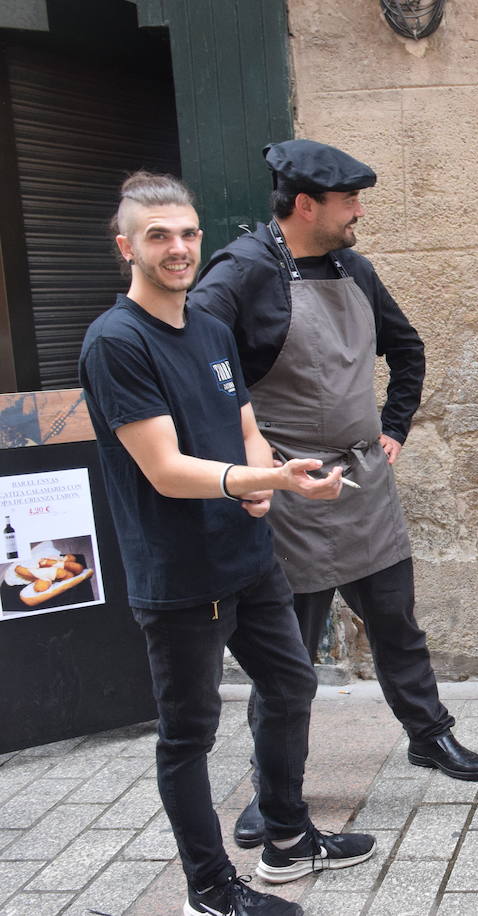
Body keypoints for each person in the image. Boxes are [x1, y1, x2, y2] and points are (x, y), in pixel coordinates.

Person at [79, 172, 375, 916]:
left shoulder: (208, 327)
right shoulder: (117, 343)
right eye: (158, 236)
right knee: (188, 736)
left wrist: (272, 472)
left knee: (291, 686)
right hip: (181, 575)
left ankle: (285, 840)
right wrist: (258, 483)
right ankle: (209, 891)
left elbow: (243, 422)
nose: (178, 248)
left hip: (247, 558)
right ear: (127, 248)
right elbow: (165, 467)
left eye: (187, 233)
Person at [189, 140, 478, 849]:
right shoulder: (240, 274)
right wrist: (245, 466)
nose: (359, 213)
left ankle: (428, 735)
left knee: (397, 624)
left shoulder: (354, 267)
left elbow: (406, 347)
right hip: (290, 490)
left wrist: (394, 429)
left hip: (364, 482)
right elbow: (198, 370)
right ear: (305, 206)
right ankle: (274, 794)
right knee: (284, 657)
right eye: (349, 201)